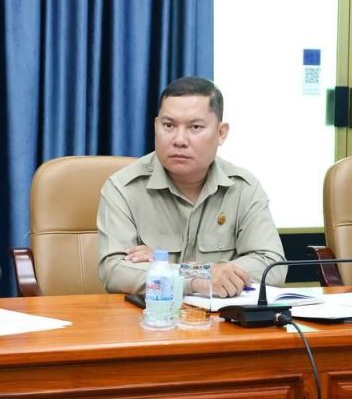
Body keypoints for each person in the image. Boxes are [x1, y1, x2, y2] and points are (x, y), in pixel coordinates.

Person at [97, 77, 286, 296]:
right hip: (152, 315)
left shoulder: (243, 188)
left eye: (195, 127)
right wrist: (198, 278)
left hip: (223, 316)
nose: (179, 140)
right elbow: (114, 271)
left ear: (221, 133)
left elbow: (273, 266)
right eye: (169, 126)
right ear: (156, 126)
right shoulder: (123, 188)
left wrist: (168, 269)